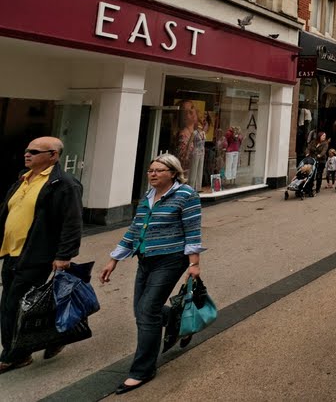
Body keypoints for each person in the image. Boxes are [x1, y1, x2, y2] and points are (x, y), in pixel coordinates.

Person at [100, 154, 202, 394]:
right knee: (143, 309)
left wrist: (194, 264)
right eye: (150, 170)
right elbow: (135, 228)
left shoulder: (186, 195)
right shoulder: (147, 198)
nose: (153, 174)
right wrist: (114, 258)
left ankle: (142, 370)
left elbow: (193, 230)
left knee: (146, 312)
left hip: (171, 259)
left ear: (173, 173)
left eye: (159, 170)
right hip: (145, 259)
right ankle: (185, 322)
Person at [0, 137, 83, 374]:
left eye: (35, 151)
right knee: (20, 304)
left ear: (53, 156)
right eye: (27, 150)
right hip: (12, 252)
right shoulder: (23, 179)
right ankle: (53, 336)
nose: (28, 154)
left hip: (37, 254)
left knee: (12, 305)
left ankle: (13, 355)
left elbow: (72, 222)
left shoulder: (64, 184)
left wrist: (64, 255)